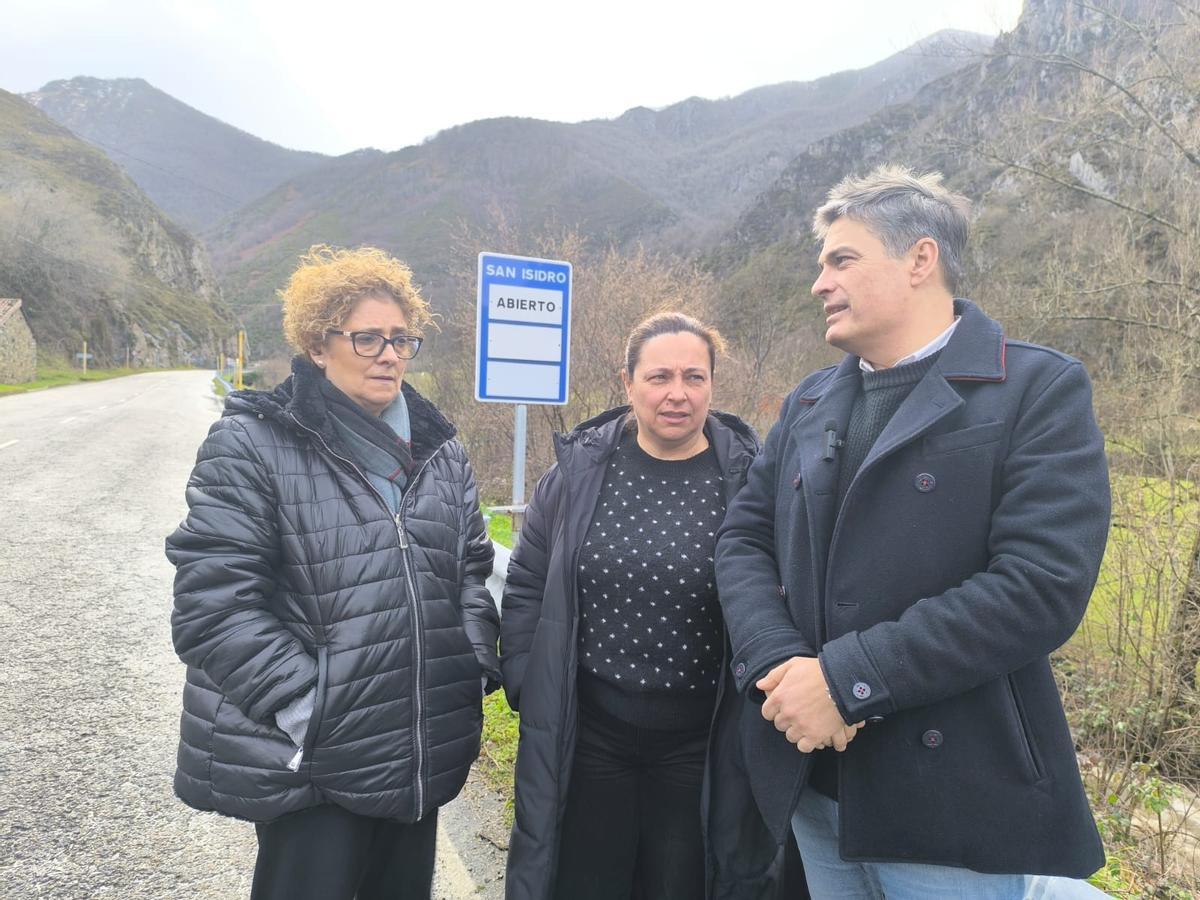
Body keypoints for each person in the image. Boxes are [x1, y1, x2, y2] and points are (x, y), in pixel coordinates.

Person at [715, 167, 1112, 898]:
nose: (819, 283)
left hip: (952, 800)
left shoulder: (1036, 389)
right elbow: (743, 540)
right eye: (821, 265)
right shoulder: (809, 401)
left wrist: (845, 680)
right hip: (812, 778)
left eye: (842, 260)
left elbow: (1040, 586)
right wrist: (779, 661)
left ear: (920, 260)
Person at [166, 245, 500, 900]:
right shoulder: (253, 445)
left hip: (415, 747)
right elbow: (213, 605)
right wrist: (310, 709)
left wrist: (471, 666)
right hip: (312, 766)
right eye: (368, 338)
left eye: (402, 340)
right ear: (319, 346)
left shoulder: (440, 451)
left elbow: (471, 571)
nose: (389, 355)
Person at [500, 312, 787, 900]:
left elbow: (782, 593)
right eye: (659, 377)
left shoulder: (751, 480)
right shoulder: (577, 474)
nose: (676, 394)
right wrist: (529, 683)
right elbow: (528, 581)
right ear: (627, 383)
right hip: (591, 738)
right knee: (584, 882)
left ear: (712, 384)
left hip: (701, 745)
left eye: (694, 377)